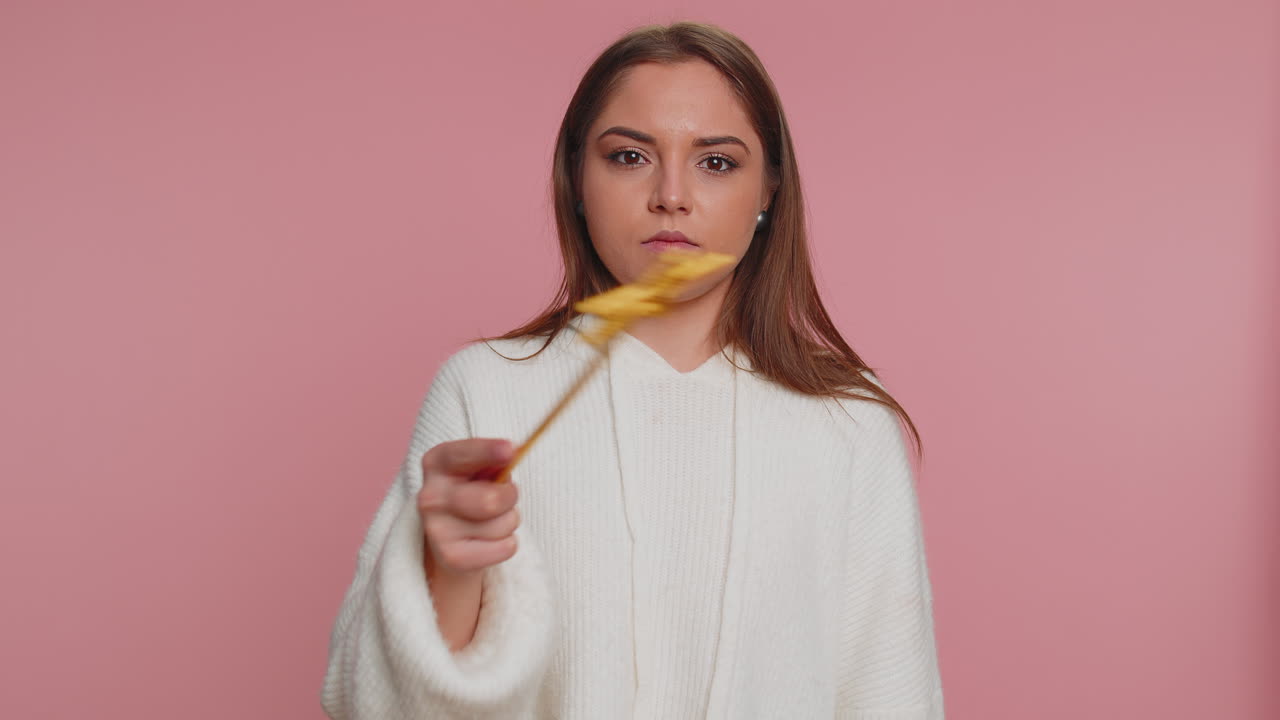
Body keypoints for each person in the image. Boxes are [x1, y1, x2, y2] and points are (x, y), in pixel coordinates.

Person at [321, 21, 945, 720]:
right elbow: (366, 703)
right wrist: (446, 570)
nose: (671, 195)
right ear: (577, 180)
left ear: (769, 191)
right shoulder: (485, 390)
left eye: (716, 162)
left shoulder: (849, 421)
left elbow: (892, 695)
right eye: (628, 157)